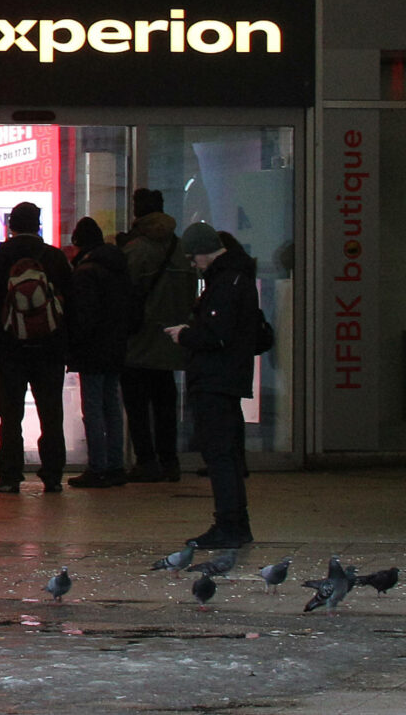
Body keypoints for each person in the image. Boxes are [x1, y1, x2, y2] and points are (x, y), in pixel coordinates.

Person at [165, 223, 268, 549]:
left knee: (219, 456)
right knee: (228, 456)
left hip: (215, 380)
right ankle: (237, 524)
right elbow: (256, 333)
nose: (194, 264)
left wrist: (184, 334)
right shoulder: (241, 277)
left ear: (205, 251)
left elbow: (216, 335)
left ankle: (228, 526)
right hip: (229, 379)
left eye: (194, 257)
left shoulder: (226, 283)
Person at [0, 201, 74, 495]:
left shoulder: (0, 258)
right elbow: (73, 304)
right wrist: (62, 342)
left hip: (11, 351)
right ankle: (53, 475)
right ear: (38, 224)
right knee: (51, 413)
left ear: (11, 226)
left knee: (10, 415)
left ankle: (9, 475)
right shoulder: (55, 259)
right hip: (50, 350)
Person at [120, 187, 194, 483]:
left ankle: (146, 461)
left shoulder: (135, 251)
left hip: (138, 341)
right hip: (170, 339)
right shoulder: (180, 249)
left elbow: (123, 295)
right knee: (165, 404)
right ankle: (170, 461)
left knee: (137, 406)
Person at [65, 216, 134, 490]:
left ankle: (97, 466)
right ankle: (115, 465)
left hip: (93, 349)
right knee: (112, 407)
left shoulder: (86, 272)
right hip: (115, 346)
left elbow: (84, 317)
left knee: (92, 408)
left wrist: (73, 346)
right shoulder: (118, 267)